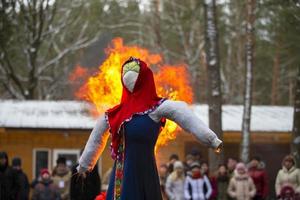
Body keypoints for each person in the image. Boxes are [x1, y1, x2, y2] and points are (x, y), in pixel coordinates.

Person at [77, 57, 223, 200]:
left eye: (133, 71)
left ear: (145, 78)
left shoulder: (157, 108)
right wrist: (84, 164)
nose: (128, 76)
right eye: (125, 72)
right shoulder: (115, 114)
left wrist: (211, 138)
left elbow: (184, 115)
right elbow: (96, 139)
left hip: (147, 171)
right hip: (123, 173)